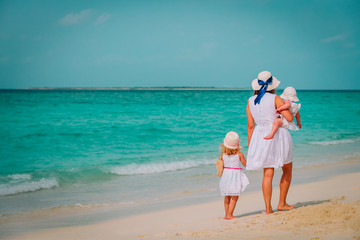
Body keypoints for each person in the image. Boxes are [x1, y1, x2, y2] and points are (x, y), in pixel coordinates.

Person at [246, 71, 295, 214]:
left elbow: (250, 126)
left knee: (267, 173)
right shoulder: (275, 98)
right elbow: (289, 118)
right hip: (278, 135)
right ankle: (282, 203)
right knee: (287, 169)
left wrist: (251, 147)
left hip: (260, 137)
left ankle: (268, 208)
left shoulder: (250, 101)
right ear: (272, 85)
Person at [218, 131, 249, 219]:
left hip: (226, 176)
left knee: (227, 197)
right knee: (235, 196)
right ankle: (229, 214)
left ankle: (226, 214)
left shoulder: (222, 154)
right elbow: (245, 164)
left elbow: (221, 165)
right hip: (235, 177)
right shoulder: (239, 154)